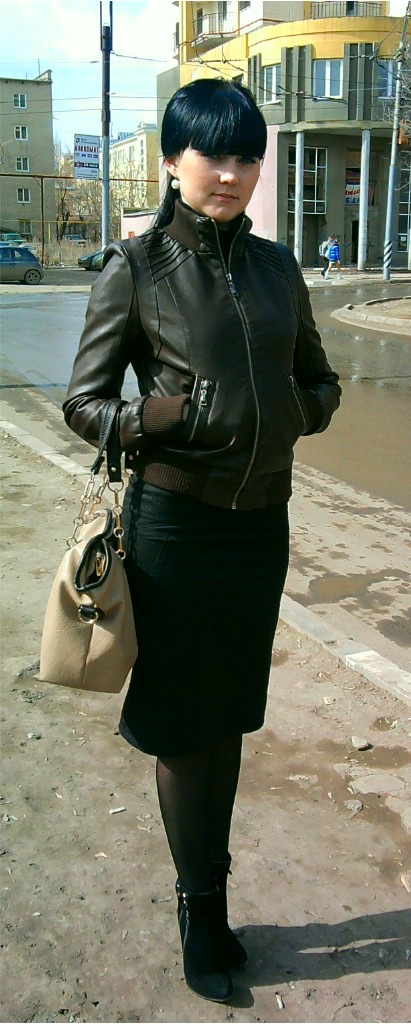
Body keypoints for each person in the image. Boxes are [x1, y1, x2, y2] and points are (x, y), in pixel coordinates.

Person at [63, 78, 341, 1004]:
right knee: (187, 729)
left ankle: (213, 897)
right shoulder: (135, 267)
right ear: (173, 163)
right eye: (212, 155)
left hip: (259, 528)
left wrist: (295, 411)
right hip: (175, 531)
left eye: (245, 157)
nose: (229, 173)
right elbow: (83, 403)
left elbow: (320, 381)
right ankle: (200, 912)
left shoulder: (276, 268)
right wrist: (162, 416)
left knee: (230, 719)